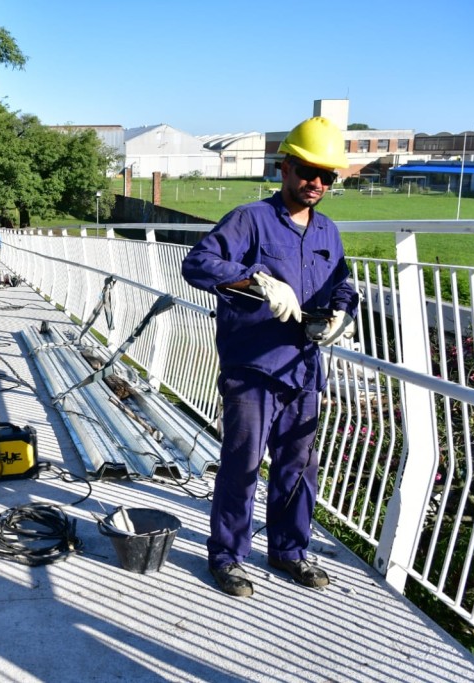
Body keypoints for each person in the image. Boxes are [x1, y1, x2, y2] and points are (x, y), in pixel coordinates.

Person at [181, 116, 360, 597]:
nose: (316, 183)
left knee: (298, 465)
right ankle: (227, 556)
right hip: (253, 367)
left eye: (327, 176)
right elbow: (197, 263)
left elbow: (342, 282)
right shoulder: (250, 219)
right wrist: (254, 279)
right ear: (284, 168)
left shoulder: (328, 231)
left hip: (302, 367)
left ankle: (288, 550)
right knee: (243, 463)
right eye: (307, 171)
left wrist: (343, 312)